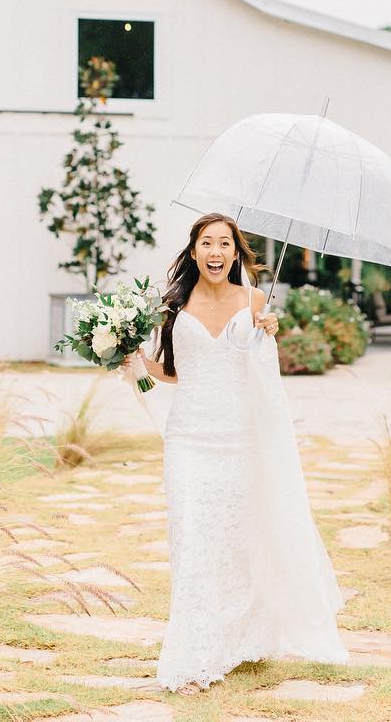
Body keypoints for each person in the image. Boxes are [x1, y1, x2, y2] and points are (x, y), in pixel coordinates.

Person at [134, 213, 349, 695]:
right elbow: (171, 371)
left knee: (236, 540)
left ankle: (240, 639)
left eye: (224, 244)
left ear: (236, 253)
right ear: (193, 252)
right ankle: (191, 651)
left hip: (240, 439)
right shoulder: (172, 305)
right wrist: (129, 357)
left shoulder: (255, 302)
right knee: (192, 539)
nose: (215, 252)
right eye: (206, 243)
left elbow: (261, 370)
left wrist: (266, 332)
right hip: (188, 438)